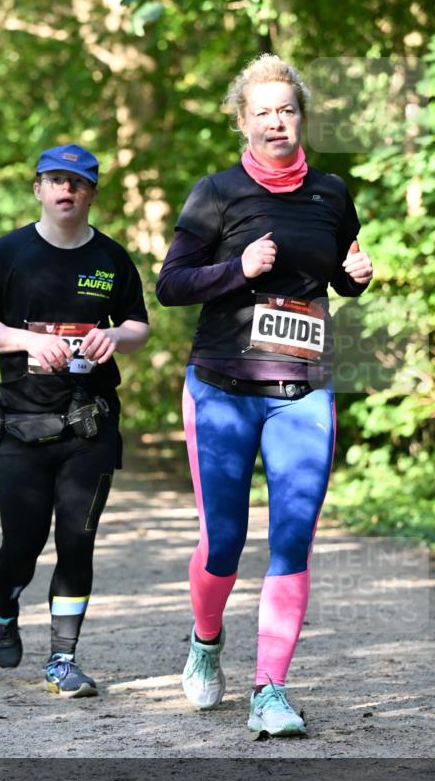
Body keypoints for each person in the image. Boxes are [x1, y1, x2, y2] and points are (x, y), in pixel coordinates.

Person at [156, 56, 373, 737]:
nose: (276, 121)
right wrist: (235, 269)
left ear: (300, 115)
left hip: (301, 388)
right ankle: (204, 638)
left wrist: (356, 276)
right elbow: (170, 284)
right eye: (262, 111)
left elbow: (337, 274)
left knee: (292, 537)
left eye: (287, 109)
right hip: (222, 386)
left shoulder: (331, 193)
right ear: (241, 122)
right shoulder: (215, 193)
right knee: (224, 539)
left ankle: (270, 689)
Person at [0, 144, 149, 697]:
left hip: (89, 424)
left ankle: (62, 660)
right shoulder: (10, 252)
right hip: (22, 424)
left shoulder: (111, 258)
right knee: (22, 544)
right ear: (38, 189)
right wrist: (27, 341)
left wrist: (114, 336)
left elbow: (139, 325)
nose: (67, 189)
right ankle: (3, 601)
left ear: (91, 193)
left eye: (78, 181)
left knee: (77, 539)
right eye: (56, 180)